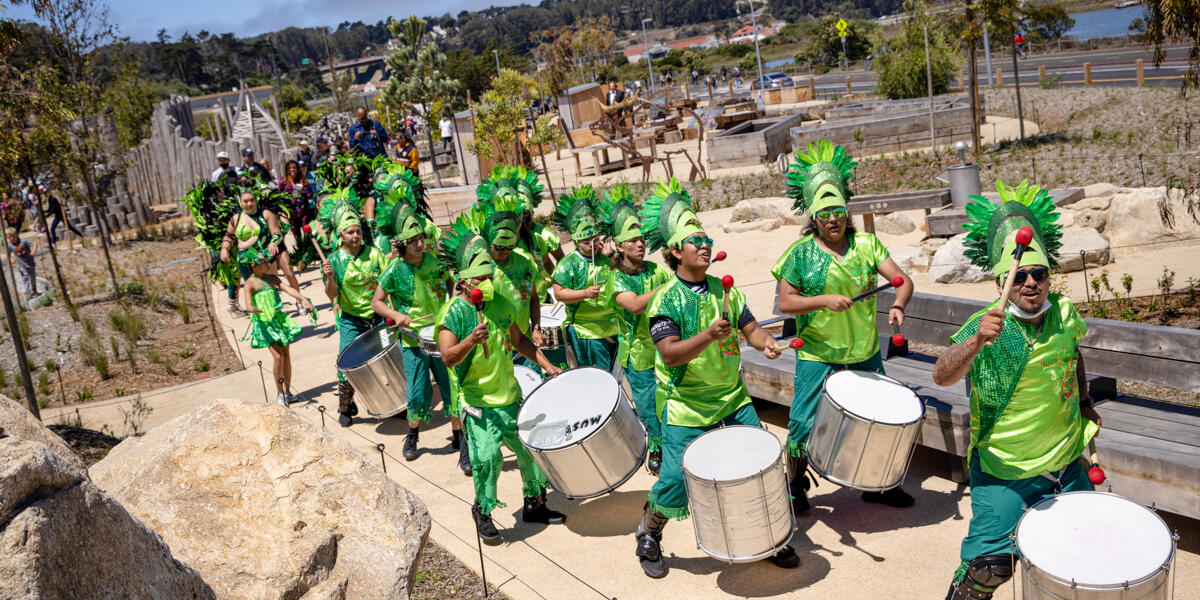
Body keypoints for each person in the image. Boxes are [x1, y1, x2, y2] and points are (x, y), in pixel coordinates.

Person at [936, 180, 1102, 600]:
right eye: (1019, 275)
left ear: (1049, 277)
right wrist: (975, 343)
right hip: (1005, 471)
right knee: (987, 569)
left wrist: (1084, 402)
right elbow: (941, 375)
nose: (1029, 283)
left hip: (1067, 463)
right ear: (1000, 284)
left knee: (1082, 559)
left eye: (1039, 273)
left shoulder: (1064, 313)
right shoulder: (987, 324)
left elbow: (1074, 355)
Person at [633, 177, 797, 578]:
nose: (704, 245)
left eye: (706, 238)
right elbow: (669, 355)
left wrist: (766, 345)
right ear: (675, 252)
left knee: (759, 465)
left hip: (733, 399)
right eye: (695, 241)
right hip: (685, 405)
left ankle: (769, 536)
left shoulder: (726, 290)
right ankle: (649, 532)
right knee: (673, 479)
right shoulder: (664, 299)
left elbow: (751, 327)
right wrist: (708, 335)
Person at [771, 140, 915, 513]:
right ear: (814, 219)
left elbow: (902, 280)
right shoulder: (799, 254)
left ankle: (879, 484)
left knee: (882, 418)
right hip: (817, 352)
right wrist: (823, 300)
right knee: (801, 424)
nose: (833, 219)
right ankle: (794, 485)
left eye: (838, 211)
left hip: (864, 351)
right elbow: (785, 302)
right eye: (824, 214)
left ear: (845, 213)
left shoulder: (867, 245)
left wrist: (898, 304)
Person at [435, 216, 565, 545]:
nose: (488, 280)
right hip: (477, 401)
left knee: (529, 453)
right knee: (488, 459)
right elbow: (448, 357)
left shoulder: (500, 303)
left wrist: (547, 365)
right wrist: (469, 341)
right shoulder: (452, 314)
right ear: (463, 281)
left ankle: (535, 504)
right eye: (481, 276)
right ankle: (483, 510)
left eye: (489, 275)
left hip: (508, 394)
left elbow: (520, 340)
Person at [370, 201, 471, 473]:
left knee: (452, 391)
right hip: (412, 341)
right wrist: (396, 314)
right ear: (402, 243)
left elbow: (452, 285)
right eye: (412, 240)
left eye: (421, 238)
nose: (418, 243)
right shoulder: (393, 269)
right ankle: (413, 433)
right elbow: (376, 302)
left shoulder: (435, 263)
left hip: (440, 337)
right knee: (416, 394)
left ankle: (461, 441)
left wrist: (454, 299)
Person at [601, 185, 670, 475]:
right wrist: (670, 286)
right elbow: (636, 306)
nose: (640, 244)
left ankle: (675, 445)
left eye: (641, 239)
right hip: (639, 355)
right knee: (648, 406)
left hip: (666, 347)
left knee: (670, 400)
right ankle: (656, 448)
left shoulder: (656, 270)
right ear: (619, 246)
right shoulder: (616, 279)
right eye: (632, 241)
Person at [322, 207, 389, 427]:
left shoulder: (374, 254)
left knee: (388, 359)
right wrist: (330, 278)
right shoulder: (334, 260)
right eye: (350, 232)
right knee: (345, 363)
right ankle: (346, 407)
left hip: (377, 316)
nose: (355, 236)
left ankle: (396, 403)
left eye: (358, 231)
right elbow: (331, 295)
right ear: (341, 236)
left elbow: (389, 282)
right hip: (352, 318)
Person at [551, 185, 619, 370]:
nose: (591, 245)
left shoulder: (605, 255)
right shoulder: (568, 263)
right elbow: (559, 293)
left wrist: (613, 255)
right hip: (587, 332)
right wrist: (585, 293)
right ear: (575, 241)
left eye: (595, 240)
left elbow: (626, 272)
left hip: (615, 327)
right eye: (586, 242)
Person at [242, 247, 314, 406]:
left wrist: (303, 298)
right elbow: (247, 304)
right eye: (264, 262)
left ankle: (287, 391)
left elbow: (287, 289)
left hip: (278, 321)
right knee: (277, 356)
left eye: (267, 260)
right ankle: (279, 393)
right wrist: (251, 309)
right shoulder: (250, 284)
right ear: (253, 266)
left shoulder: (272, 278)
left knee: (286, 355)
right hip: (265, 324)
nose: (268, 263)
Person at [6, 227, 39, 299]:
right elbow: (7, 254)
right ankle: (27, 292)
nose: (12, 238)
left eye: (13, 236)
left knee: (32, 277)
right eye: (9, 237)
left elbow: (34, 244)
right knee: (25, 277)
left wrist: (33, 251)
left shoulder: (23, 242)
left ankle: (34, 290)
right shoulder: (10, 246)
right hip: (21, 265)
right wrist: (11, 259)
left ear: (17, 235)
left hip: (30, 263)